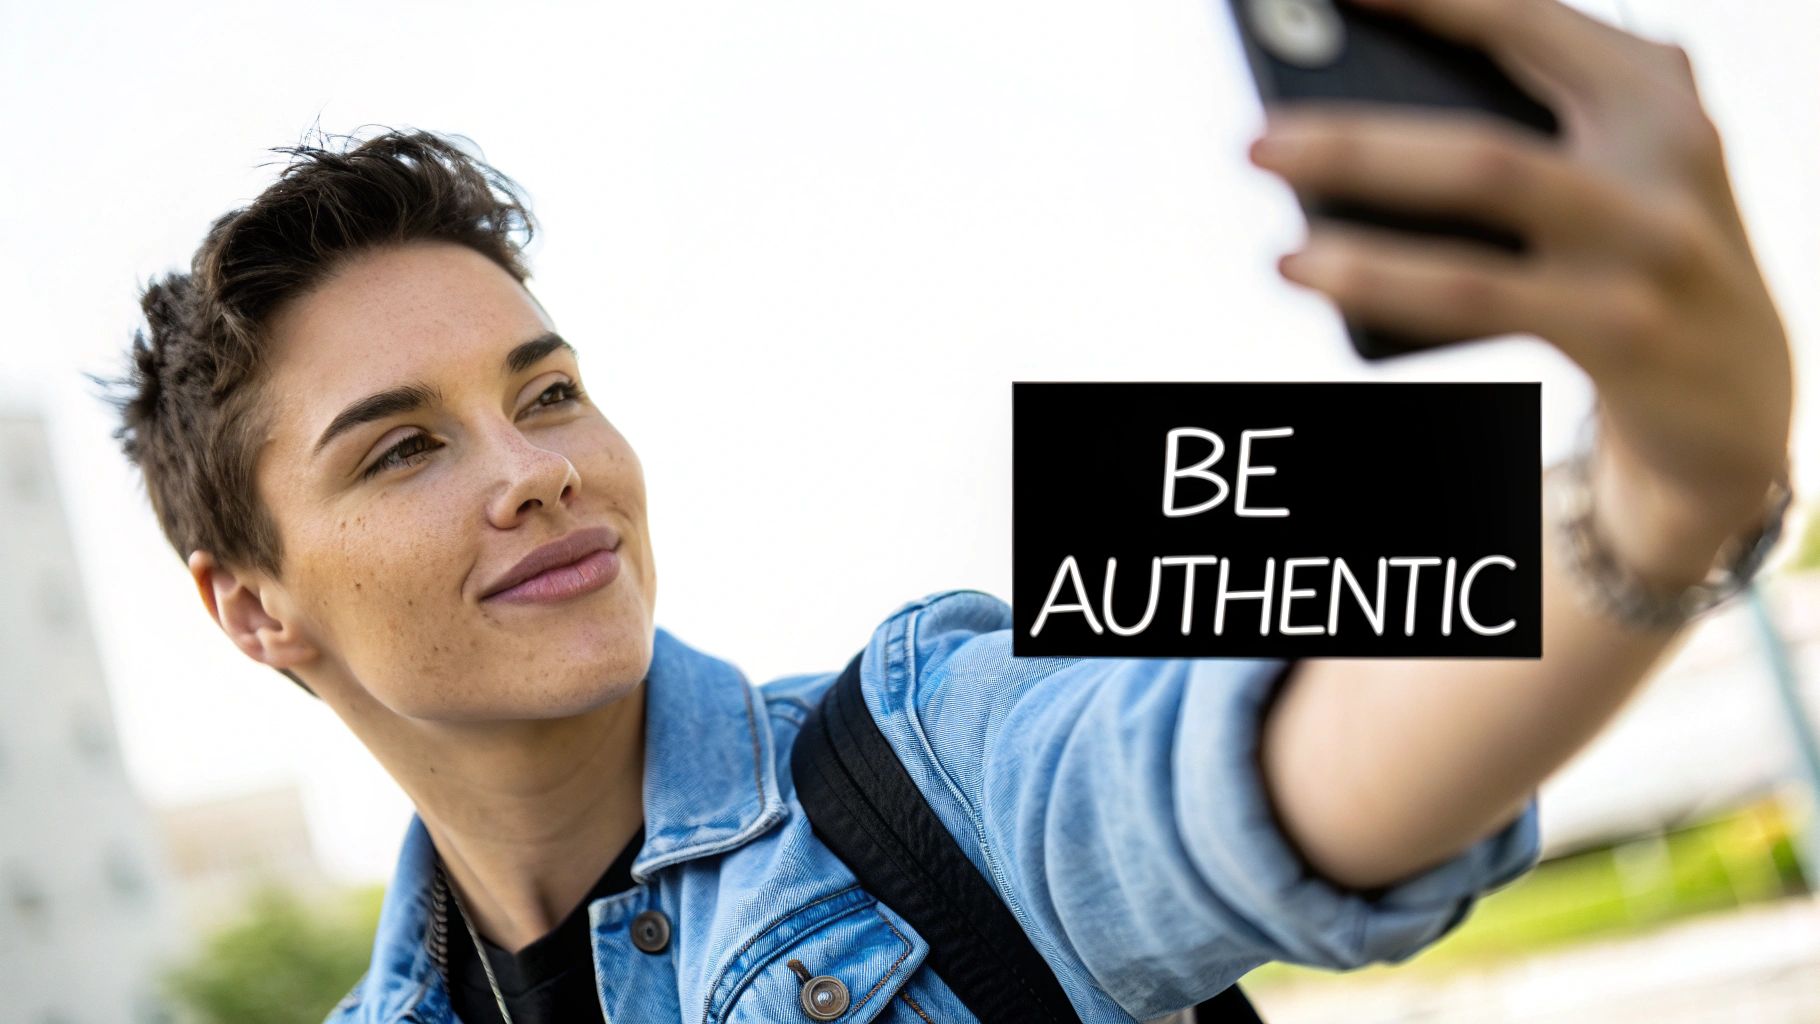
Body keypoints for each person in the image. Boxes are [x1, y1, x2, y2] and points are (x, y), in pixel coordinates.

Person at [96, 0, 1793, 1020]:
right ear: (250, 606)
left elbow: (1272, 765)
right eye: (401, 449)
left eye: (547, 392)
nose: (536, 464)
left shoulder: (927, 740)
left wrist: (1660, 483)